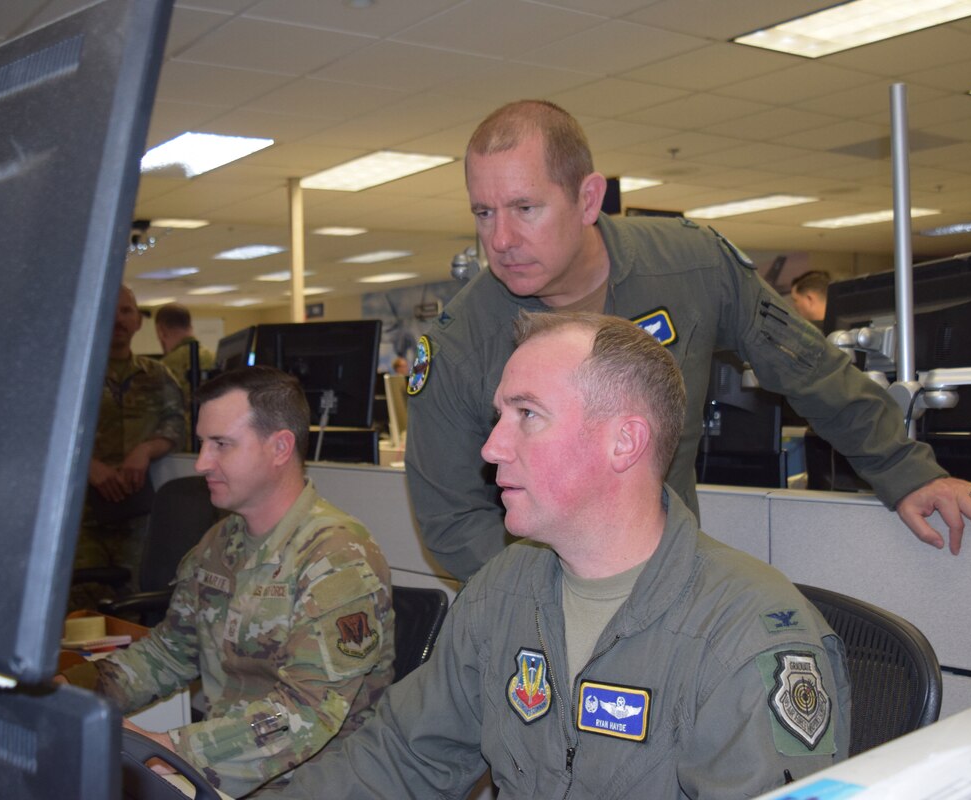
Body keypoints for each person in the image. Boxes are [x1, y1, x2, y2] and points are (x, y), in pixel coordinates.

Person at [405, 99, 971, 580]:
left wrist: (906, 470)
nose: (500, 240)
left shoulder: (692, 268)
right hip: (535, 600)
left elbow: (811, 370)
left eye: (524, 208)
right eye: (483, 213)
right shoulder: (462, 341)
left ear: (588, 199)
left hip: (675, 582)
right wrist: (555, 596)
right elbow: (450, 518)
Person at [274, 312, 851, 799]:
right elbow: (402, 756)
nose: (492, 446)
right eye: (500, 416)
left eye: (527, 414)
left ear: (624, 441)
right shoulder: (504, 588)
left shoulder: (747, 639)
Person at [61, 365, 395, 797]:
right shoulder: (220, 543)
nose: (202, 463)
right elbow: (171, 652)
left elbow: (307, 714)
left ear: (280, 447)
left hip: (317, 780)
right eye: (202, 443)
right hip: (225, 765)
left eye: (221, 444)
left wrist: (169, 749)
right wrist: (73, 691)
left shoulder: (337, 557)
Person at [72, 284, 186, 607]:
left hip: (137, 519)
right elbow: (43, 430)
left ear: (138, 321)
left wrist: (146, 450)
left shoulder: (159, 376)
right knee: (81, 609)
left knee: (133, 603)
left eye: (126, 311)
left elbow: (177, 424)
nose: (119, 319)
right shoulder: (72, 374)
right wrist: (85, 465)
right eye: (110, 311)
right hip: (80, 516)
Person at [155, 302, 217, 434]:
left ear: (161, 331)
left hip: (182, 439)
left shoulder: (163, 367)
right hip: (213, 436)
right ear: (190, 326)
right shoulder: (215, 358)